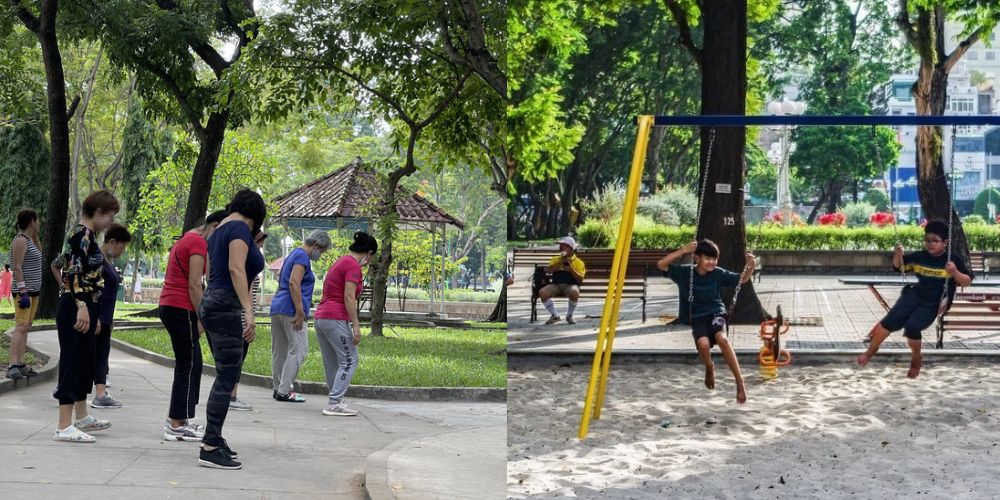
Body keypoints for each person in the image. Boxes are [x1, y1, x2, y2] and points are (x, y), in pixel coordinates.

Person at [197, 189, 266, 469]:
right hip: (227, 306)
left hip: (214, 302)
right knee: (227, 377)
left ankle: (215, 437)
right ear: (255, 215)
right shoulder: (238, 228)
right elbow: (236, 270)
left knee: (228, 373)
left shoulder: (218, 230)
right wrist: (249, 312)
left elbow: (214, 272)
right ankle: (210, 445)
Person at [857, 220, 972, 378]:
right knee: (890, 321)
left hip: (934, 302)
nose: (930, 244)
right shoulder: (920, 257)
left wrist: (955, 273)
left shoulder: (953, 259)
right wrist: (898, 256)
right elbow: (899, 267)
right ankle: (870, 351)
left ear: (945, 243)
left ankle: (916, 358)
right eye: (927, 240)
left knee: (912, 327)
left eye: (935, 241)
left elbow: (967, 281)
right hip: (916, 294)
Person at [53, 190, 120, 442]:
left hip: (87, 306)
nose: (110, 223)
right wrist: (80, 304)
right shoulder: (80, 235)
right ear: (98, 212)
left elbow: (58, 262)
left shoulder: (87, 237)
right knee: (71, 362)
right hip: (76, 306)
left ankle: (81, 417)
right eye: (110, 216)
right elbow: (71, 272)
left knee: (84, 362)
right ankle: (63, 425)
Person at [658, 239, 754, 404]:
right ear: (697, 258)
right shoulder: (685, 273)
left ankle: (739, 381)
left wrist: (750, 265)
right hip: (697, 317)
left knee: (722, 339)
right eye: (707, 258)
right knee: (702, 345)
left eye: (714, 259)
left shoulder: (717, 273)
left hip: (716, 312)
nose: (711, 262)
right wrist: (683, 250)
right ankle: (709, 366)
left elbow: (741, 279)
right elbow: (661, 264)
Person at [159, 210, 226, 441]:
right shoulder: (197, 242)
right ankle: (176, 423)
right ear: (215, 226)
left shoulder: (190, 237)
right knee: (188, 365)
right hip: (180, 308)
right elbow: (195, 286)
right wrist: (202, 317)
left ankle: (181, 419)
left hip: (174, 307)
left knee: (193, 363)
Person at [313, 231, 378, 417]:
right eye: (372, 257)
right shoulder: (353, 266)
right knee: (350, 360)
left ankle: (337, 400)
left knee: (333, 363)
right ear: (369, 252)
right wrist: (356, 325)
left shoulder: (341, 262)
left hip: (322, 317)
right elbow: (349, 297)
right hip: (335, 317)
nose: (371, 261)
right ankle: (334, 403)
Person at [270, 229, 332, 403]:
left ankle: (278, 388)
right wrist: (300, 311)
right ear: (316, 245)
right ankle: (284, 390)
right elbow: (294, 282)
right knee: (299, 350)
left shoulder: (292, 254)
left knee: (280, 351)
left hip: (277, 306)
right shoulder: (302, 257)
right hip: (290, 309)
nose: (321, 254)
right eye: (322, 250)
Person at [226, 229, 268, 412]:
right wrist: (249, 316)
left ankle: (231, 394)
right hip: (243, 317)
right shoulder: (248, 265)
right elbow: (248, 291)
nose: (260, 249)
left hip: (243, 314)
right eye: (259, 244)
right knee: (238, 357)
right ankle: (231, 395)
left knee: (238, 357)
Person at [90, 224, 132, 409]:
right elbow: (94, 289)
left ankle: (101, 394)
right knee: (90, 356)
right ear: (112, 242)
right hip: (98, 318)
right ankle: (67, 389)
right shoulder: (97, 260)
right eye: (121, 247)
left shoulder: (106, 261)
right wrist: (97, 317)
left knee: (101, 356)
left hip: (106, 318)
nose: (121, 252)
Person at [7, 208, 44, 380]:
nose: (40, 223)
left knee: (26, 327)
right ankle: (12, 364)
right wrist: (22, 292)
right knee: (20, 327)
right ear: (31, 221)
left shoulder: (30, 239)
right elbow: (17, 267)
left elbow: (40, 254)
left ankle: (20, 363)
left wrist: (35, 235)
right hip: (24, 291)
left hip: (34, 291)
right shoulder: (20, 240)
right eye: (37, 221)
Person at [538, 236, 586, 325]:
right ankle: (555, 315)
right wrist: (560, 262)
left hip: (570, 285)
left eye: (563, 245)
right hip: (556, 285)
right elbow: (548, 270)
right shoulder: (555, 259)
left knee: (574, 292)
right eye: (560, 245)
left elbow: (580, 279)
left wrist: (571, 269)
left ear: (570, 248)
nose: (560, 247)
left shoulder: (579, 262)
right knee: (542, 292)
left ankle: (569, 315)